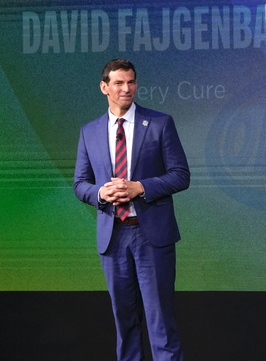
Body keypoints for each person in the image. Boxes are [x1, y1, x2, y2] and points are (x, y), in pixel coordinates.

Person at [74, 58, 190, 360]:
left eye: (131, 82)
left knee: (160, 322)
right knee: (125, 323)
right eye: (119, 83)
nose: (126, 88)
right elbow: (80, 184)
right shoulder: (89, 132)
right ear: (104, 87)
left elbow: (181, 175)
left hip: (151, 237)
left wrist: (141, 187)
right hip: (113, 238)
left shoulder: (160, 123)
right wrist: (100, 192)